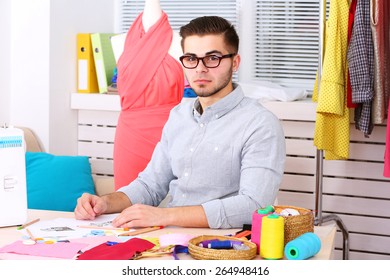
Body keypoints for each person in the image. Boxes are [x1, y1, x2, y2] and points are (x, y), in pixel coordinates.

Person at [75, 16, 286, 229]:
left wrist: (165, 216)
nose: (200, 69)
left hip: (224, 244)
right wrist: (104, 202)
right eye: (191, 59)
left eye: (212, 58)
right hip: (167, 238)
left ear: (235, 62)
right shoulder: (179, 115)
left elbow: (254, 205)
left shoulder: (260, 124)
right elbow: (150, 185)